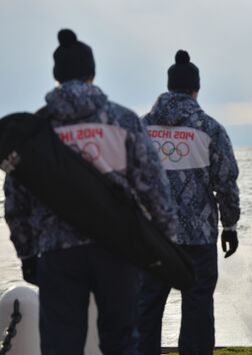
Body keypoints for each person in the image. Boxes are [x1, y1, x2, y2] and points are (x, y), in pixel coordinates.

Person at [3, 29, 177, 355]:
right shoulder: (123, 121)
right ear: (92, 74)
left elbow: (15, 201)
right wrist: (163, 244)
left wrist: (27, 255)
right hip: (119, 250)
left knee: (61, 346)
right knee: (122, 342)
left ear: (56, 77)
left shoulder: (36, 129)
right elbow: (155, 189)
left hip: (58, 254)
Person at [137, 50, 240, 355]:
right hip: (198, 238)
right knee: (197, 309)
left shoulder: (140, 129)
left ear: (169, 87)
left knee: (145, 309)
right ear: (196, 88)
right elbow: (226, 183)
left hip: (152, 237)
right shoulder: (209, 129)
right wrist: (230, 225)